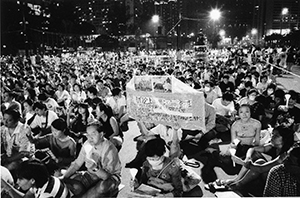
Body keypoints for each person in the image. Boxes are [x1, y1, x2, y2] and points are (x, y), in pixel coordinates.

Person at [61, 121, 121, 198]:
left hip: (111, 177)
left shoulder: (109, 149)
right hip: (92, 175)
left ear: (101, 134)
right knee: (73, 182)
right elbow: (77, 164)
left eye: (93, 134)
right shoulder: (87, 144)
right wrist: (64, 178)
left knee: (102, 187)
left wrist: (95, 168)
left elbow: (106, 176)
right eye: (88, 135)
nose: (90, 138)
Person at [1, 159, 70, 198]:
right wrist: (5, 185)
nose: (17, 182)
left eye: (20, 179)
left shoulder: (46, 195)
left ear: (32, 180)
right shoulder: (42, 181)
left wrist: (7, 187)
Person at [1, 109, 34, 176]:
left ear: (16, 120)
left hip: (23, 159)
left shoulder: (24, 130)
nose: (5, 122)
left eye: (9, 120)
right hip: (9, 156)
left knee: (8, 168)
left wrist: (9, 159)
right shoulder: (3, 129)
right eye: (4, 119)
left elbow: (24, 153)